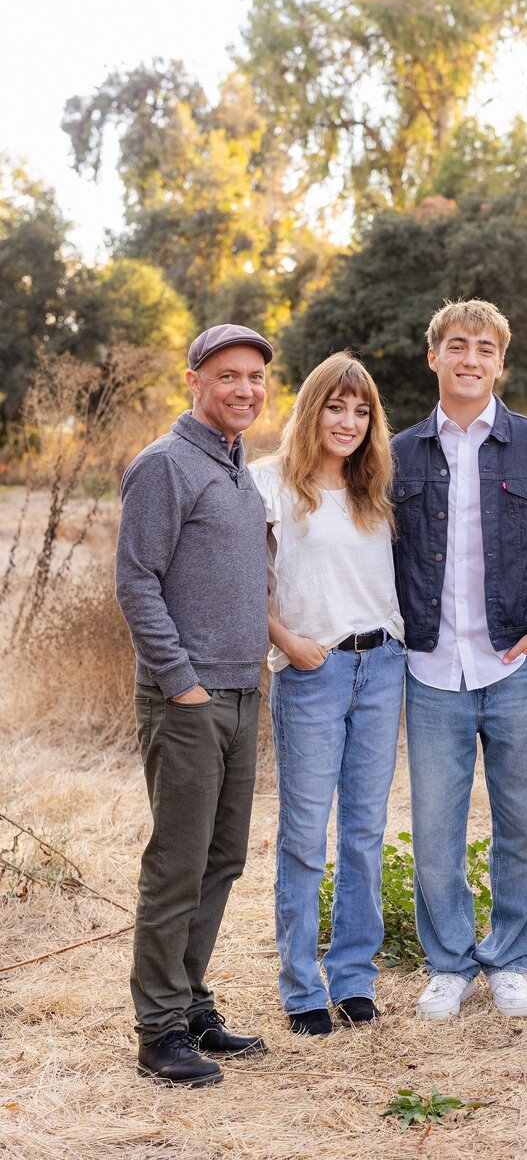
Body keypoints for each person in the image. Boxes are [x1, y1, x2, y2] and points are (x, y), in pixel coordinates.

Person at [391, 299, 527, 1021]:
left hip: (514, 667)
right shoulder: (396, 453)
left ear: (501, 362)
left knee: (525, 823)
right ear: (433, 356)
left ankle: (511, 959)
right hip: (432, 669)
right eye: (456, 345)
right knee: (436, 829)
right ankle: (450, 964)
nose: (470, 359)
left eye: (484, 349)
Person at [116, 323, 274, 1088]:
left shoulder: (240, 470)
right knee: (177, 864)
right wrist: (182, 681)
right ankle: (157, 1032)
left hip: (244, 693)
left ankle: (190, 1004)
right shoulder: (165, 465)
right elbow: (136, 581)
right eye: (229, 376)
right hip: (188, 701)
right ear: (194, 381)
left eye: (255, 377)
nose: (245, 389)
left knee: (223, 858)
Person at [250, 352, 405, 1037]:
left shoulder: (377, 492)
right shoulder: (268, 486)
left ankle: (353, 976)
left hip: (384, 669)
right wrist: (284, 640)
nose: (347, 421)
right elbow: (240, 586)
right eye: (335, 407)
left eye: (361, 410)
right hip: (312, 673)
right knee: (306, 838)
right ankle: (301, 986)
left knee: (365, 834)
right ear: (311, 410)